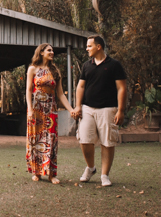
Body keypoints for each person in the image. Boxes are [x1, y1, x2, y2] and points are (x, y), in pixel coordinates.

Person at [71, 35, 128, 187]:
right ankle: (91, 168)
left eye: (89, 46)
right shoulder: (86, 66)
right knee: (84, 139)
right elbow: (81, 86)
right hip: (87, 108)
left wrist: (120, 110)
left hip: (108, 108)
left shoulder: (114, 65)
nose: (87, 49)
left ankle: (105, 175)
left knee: (107, 142)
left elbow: (121, 88)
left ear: (99, 47)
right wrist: (77, 106)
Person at [26, 43, 73, 184]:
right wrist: (29, 108)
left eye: (52, 50)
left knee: (51, 140)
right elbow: (28, 90)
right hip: (36, 109)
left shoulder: (55, 71)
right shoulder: (32, 69)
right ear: (41, 52)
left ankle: (52, 174)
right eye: (49, 50)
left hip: (51, 109)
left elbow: (60, 94)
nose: (52, 52)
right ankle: (37, 172)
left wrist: (71, 109)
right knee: (36, 140)